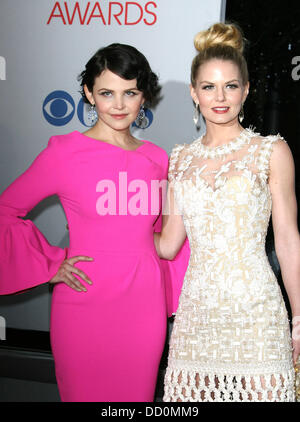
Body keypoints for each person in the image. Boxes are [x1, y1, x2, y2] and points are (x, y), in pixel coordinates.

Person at [0, 43, 190, 402]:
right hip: (83, 304)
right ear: (89, 93)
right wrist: (50, 265)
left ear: (143, 95)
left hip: (143, 308)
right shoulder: (64, 153)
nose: (118, 105)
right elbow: (5, 211)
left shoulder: (157, 159)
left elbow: (164, 240)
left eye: (129, 92)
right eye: (106, 93)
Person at [154, 22, 300, 402]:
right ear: (193, 92)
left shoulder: (271, 151)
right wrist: (105, 231)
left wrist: (299, 318)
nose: (220, 97)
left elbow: (287, 239)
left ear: (246, 90)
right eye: (208, 86)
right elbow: (169, 244)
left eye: (230, 85)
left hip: (257, 312)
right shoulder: (180, 159)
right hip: (197, 315)